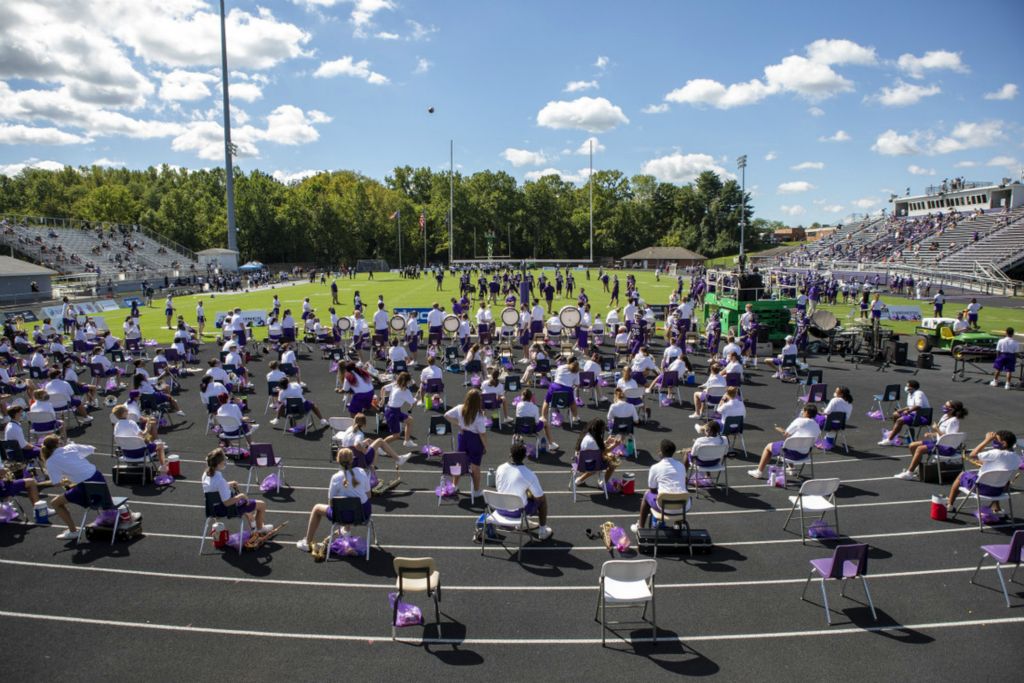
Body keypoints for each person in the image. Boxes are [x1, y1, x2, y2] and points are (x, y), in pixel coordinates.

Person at [41, 435, 140, 540]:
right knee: (102, 497)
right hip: (98, 477)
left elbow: (56, 483)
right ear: (58, 443)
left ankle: (73, 531)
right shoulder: (70, 447)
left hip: (84, 487)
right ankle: (123, 512)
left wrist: (67, 480)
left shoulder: (50, 462)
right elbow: (93, 449)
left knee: (55, 503)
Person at [296, 448, 371, 552]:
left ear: (337, 460)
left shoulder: (335, 478)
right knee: (352, 504)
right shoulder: (362, 472)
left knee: (317, 508)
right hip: (362, 514)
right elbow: (369, 495)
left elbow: (331, 503)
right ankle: (346, 530)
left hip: (342, 516)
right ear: (352, 460)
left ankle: (307, 542)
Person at [945, 431, 1021, 514]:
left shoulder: (995, 453)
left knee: (962, 474)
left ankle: (949, 504)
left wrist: (986, 440)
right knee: (999, 479)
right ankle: (997, 509)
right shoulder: (1017, 458)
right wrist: (986, 464)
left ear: (1004, 443)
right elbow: (1002, 464)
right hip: (998, 491)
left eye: (995, 439)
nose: (993, 441)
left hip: (980, 489)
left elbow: (972, 455)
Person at [202, 448, 272, 534]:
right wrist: (241, 496)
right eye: (224, 460)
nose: (225, 462)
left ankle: (253, 525)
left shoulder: (206, 475)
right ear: (219, 464)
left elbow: (215, 488)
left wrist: (229, 484)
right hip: (226, 510)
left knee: (245, 504)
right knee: (261, 504)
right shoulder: (220, 480)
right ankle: (260, 529)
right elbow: (227, 502)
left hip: (213, 509)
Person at [894, 400, 967, 480]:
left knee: (919, 449)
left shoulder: (954, 421)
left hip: (947, 448)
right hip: (939, 443)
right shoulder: (945, 416)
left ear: (952, 409)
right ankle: (918, 467)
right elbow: (942, 433)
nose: (944, 407)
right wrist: (932, 434)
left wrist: (936, 429)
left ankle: (909, 473)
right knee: (912, 445)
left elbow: (948, 437)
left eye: (946, 406)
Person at [495, 443, 552, 540]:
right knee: (542, 500)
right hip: (517, 513)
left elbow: (499, 488)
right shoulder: (529, 474)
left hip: (499, 509)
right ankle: (542, 531)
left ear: (510, 454)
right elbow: (539, 497)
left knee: (522, 494)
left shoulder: (500, 468)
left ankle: (523, 523)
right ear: (525, 456)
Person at [747, 405, 821, 479]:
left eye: (803, 410)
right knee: (791, 445)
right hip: (804, 455)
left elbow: (786, 434)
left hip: (791, 454)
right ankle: (792, 469)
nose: (802, 412)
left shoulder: (799, 421)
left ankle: (758, 472)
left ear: (806, 412)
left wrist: (779, 429)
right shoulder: (817, 426)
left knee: (768, 447)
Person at [631, 439, 687, 533]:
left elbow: (652, 489)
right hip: (682, 507)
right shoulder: (681, 466)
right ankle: (678, 524)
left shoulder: (655, 467)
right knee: (681, 491)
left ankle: (640, 526)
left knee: (646, 494)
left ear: (661, 451)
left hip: (663, 507)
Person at [445, 389, 488, 496]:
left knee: (458, 462)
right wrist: (485, 446)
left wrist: (459, 424)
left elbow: (446, 415)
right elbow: (482, 434)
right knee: (475, 467)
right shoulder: (479, 416)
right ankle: (476, 491)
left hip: (463, 438)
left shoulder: (460, 408)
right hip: (475, 441)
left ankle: (455, 486)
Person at [112, 403, 168, 471]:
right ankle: (163, 467)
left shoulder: (117, 426)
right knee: (160, 445)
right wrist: (147, 427)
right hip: (141, 453)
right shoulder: (131, 423)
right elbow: (143, 434)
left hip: (126, 454)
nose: (128, 411)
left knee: (146, 439)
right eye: (126, 411)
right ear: (124, 413)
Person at [878, 380, 930, 446]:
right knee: (895, 414)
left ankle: (889, 440)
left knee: (900, 420)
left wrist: (908, 411)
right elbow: (910, 406)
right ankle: (895, 435)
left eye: (907, 386)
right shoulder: (910, 394)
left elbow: (918, 406)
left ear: (912, 387)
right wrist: (901, 410)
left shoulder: (918, 393)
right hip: (913, 414)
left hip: (921, 417)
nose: (906, 387)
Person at [573, 418, 619, 488]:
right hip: (594, 465)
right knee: (613, 462)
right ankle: (603, 483)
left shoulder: (585, 436)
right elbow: (605, 451)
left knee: (593, 463)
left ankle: (579, 480)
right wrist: (615, 445)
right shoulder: (594, 441)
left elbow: (596, 448)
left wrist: (606, 442)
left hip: (580, 464)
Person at [381, 371, 417, 447]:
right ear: (406, 381)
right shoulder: (406, 392)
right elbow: (413, 403)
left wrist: (383, 399)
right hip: (392, 414)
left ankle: (407, 441)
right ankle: (380, 446)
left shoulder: (394, 384)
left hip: (391, 410)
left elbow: (383, 388)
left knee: (410, 420)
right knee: (396, 436)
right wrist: (415, 402)